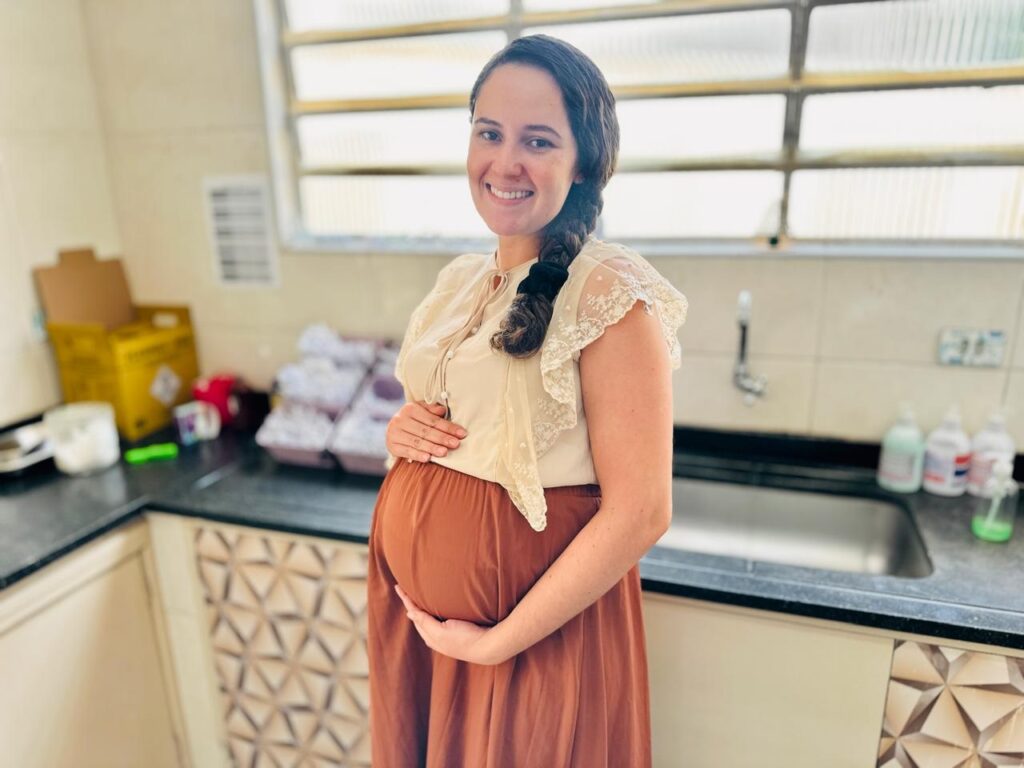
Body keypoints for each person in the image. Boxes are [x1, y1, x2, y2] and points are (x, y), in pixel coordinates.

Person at [366, 34, 688, 767]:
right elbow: (475, 424)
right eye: (489, 132)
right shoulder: (459, 280)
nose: (505, 162)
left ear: (582, 165)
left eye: (538, 141)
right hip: (428, 629)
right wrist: (404, 433)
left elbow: (642, 511)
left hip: (529, 638)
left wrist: (495, 643)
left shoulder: (610, 292)